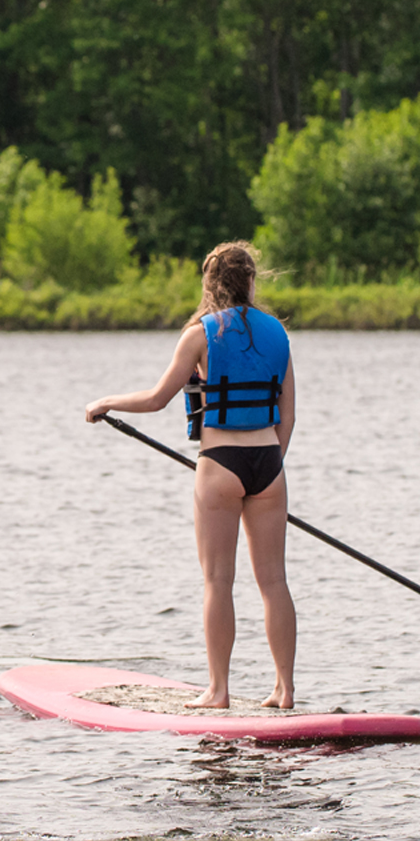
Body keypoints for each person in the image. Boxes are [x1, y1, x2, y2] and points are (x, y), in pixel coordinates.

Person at [83, 241, 298, 709]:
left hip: (220, 464)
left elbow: (159, 398)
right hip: (268, 465)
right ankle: (285, 689)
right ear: (251, 281)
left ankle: (218, 691)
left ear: (210, 283)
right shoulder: (278, 334)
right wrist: (270, 467)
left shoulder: (200, 334)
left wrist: (106, 403)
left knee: (218, 580)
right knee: (274, 581)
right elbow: (288, 416)